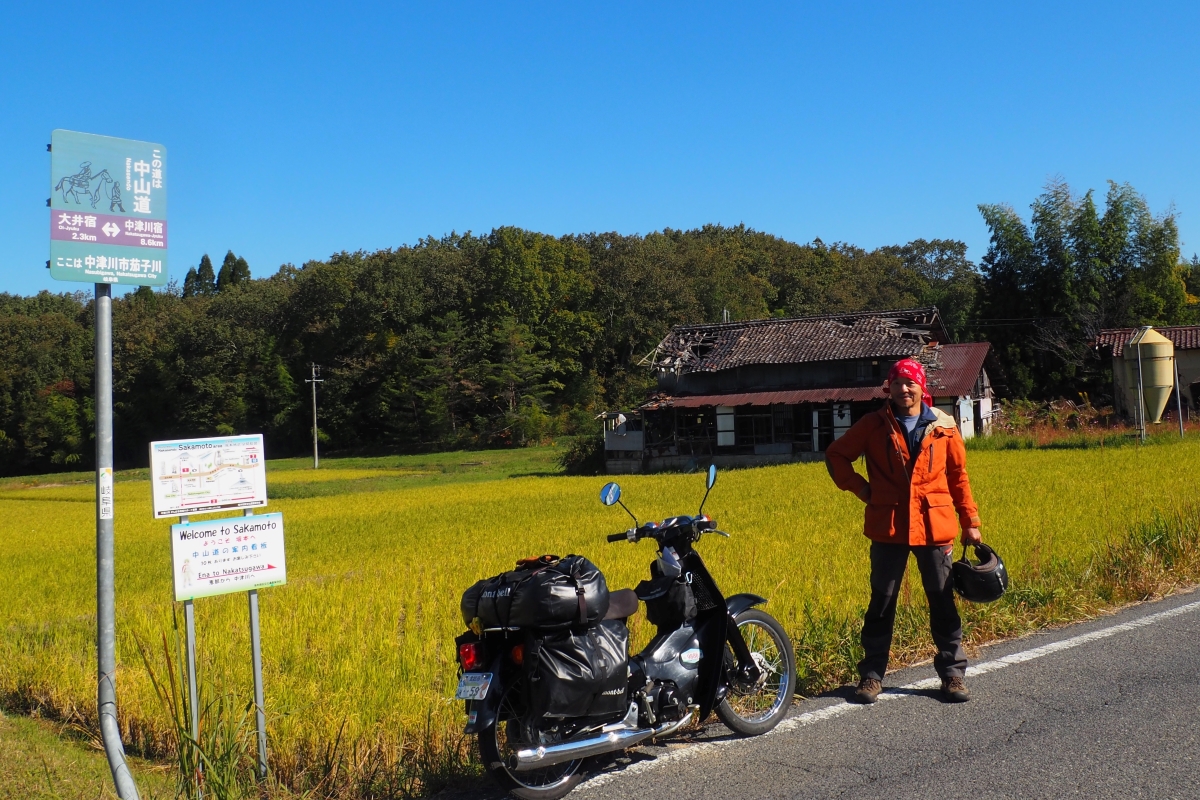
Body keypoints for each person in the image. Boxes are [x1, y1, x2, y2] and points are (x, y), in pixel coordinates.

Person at [824, 357, 982, 704]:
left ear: (921, 387)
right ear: (889, 388)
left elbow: (958, 477)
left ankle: (953, 675)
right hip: (889, 525)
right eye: (897, 383)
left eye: (910, 383)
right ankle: (871, 676)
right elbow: (836, 456)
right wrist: (863, 490)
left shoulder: (943, 426)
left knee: (941, 600)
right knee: (882, 602)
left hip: (933, 525)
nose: (904, 389)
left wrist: (970, 522)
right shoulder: (873, 424)